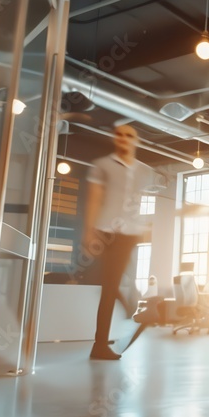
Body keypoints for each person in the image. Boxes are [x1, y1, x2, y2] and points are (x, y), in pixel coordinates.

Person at [83, 123, 155, 360]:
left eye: (128, 135)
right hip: (106, 232)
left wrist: (145, 226)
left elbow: (142, 201)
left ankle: (102, 341)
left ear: (135, 141)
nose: (123, 138)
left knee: (112, 283)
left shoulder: (145, 171)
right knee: (109, 286)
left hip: (130, 233)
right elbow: (94, 199)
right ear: (115, 139)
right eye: (119, 134)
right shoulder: (102, 166)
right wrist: (88, 231)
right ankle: (101, 343)